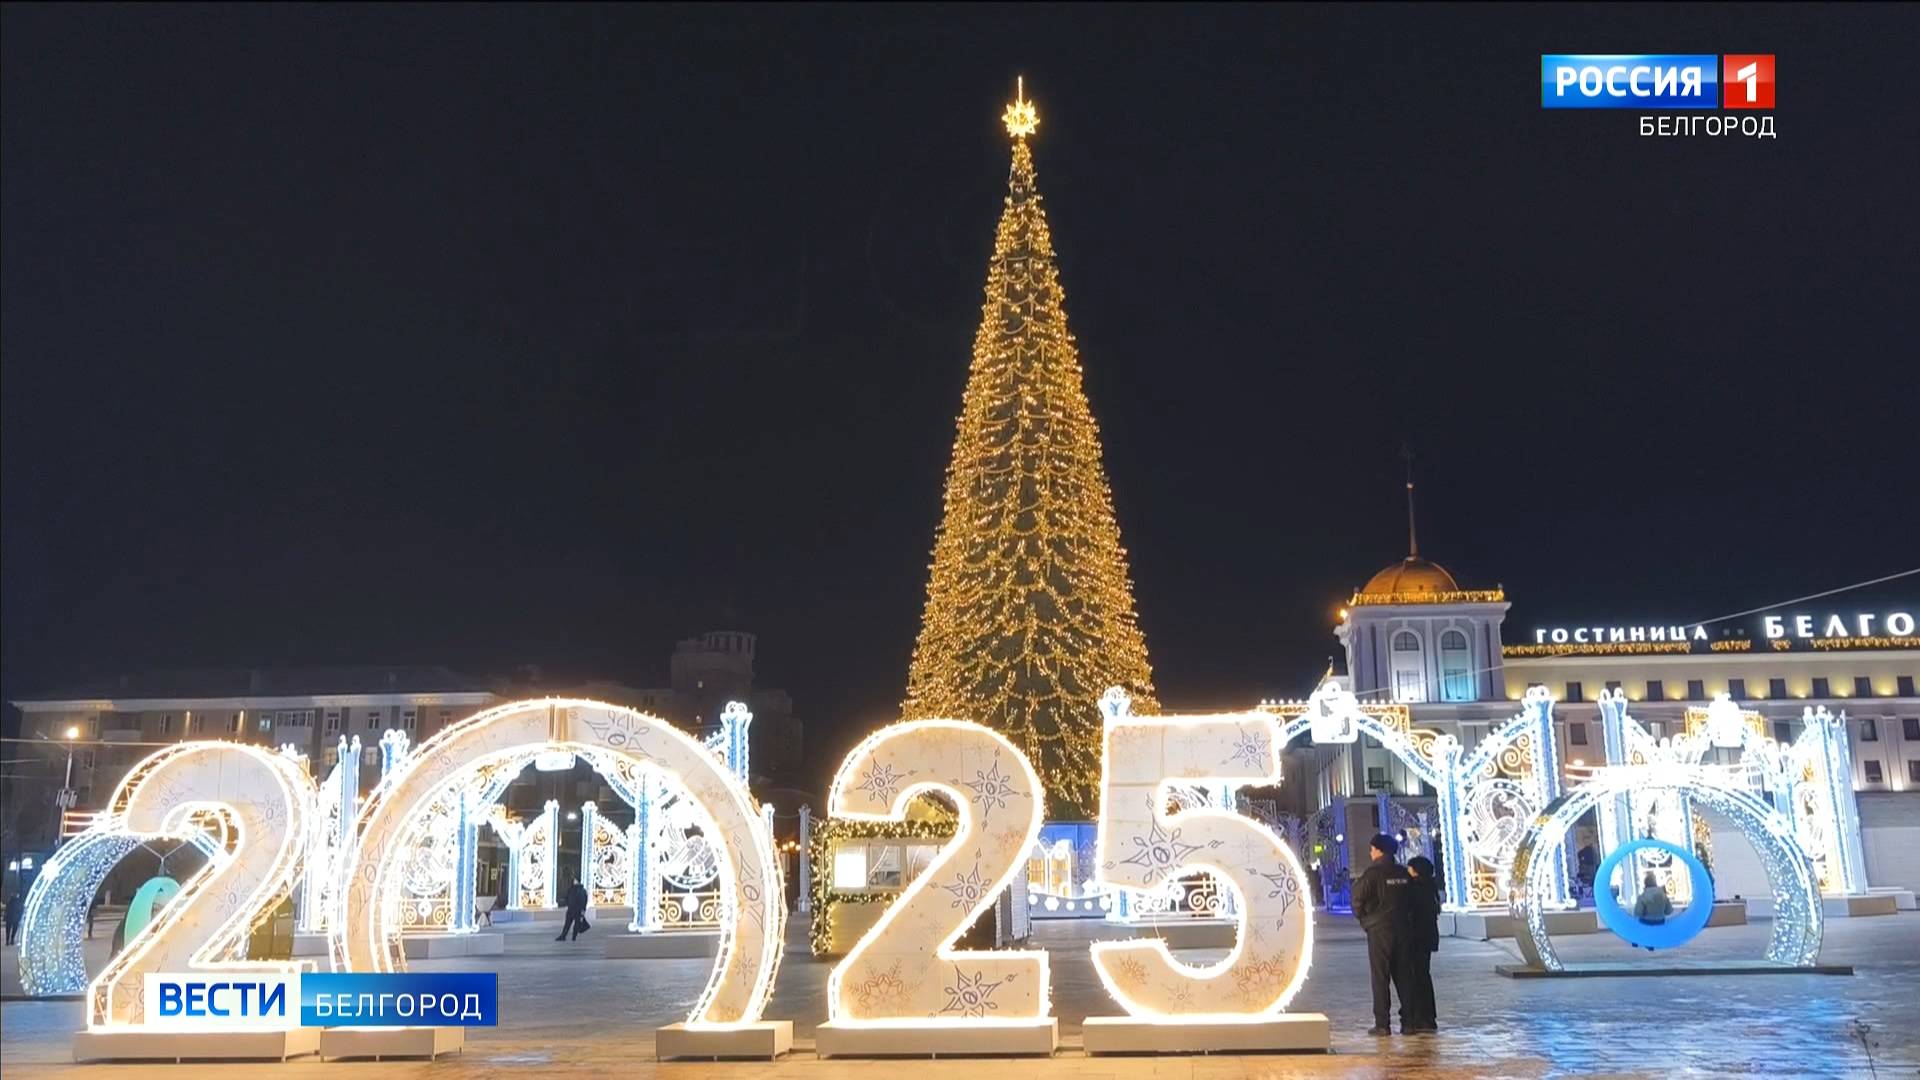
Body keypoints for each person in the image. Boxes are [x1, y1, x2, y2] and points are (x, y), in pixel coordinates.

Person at [1350, 833, 1412, 1036]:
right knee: (1404, 976)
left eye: (1371, 848)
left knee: (1380, 977)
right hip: (1403, 929)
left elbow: (1357, 899)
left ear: (1378, 850)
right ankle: (1409, 1021)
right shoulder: (1403, 873)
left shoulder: (1372, 874)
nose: (1370, 852)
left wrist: (1366, 922)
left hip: (1379, 931)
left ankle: (1382, 1024)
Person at [1402, 856, 1442, 1033]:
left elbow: (1409, 912)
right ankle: (1428, 1017)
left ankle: (1419, 1016)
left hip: (1415, 938)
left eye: (1409, 869)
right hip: (1427, 938)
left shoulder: (1415, 888)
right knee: (1424, 976)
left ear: (1415, 870)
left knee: (1416, 977)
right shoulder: (1430, 888)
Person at [556, 877, 590, 942]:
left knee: (572, 924)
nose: (573, 881)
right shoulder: (578, 890)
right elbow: (584, 901)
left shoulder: (577, 890)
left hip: (574, 910)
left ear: (577, 881)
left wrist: (582, 910)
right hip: (574, 910)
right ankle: (568, 936)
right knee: (571, 924)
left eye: (574, 880)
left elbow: (582, 901)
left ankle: (568, 936)